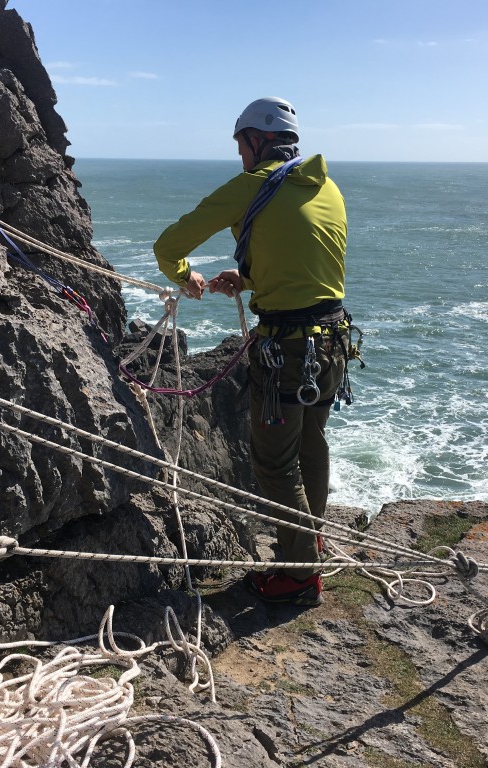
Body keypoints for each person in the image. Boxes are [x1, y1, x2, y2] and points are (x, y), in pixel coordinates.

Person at [153, 97, 351, 607]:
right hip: (331, 345)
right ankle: (311, 541)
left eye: (241, 143)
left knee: (274, 464)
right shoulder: (328, 188)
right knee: (312, 446)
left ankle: (300, 573)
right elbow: (306, 264)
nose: (239, 154)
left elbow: (167, 246)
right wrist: (250, 277)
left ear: (256, 141)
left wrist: (185, 277)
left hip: (284, 351)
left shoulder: (251, 187)